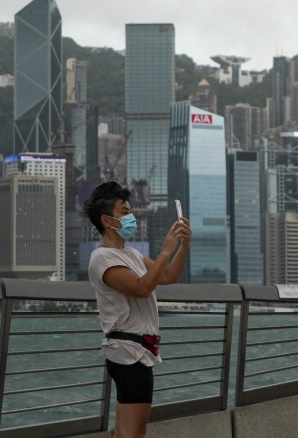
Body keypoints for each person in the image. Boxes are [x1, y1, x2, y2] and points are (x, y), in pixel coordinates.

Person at [85, 182, 190, 438]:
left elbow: (167, 276)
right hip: (129, 352)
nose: (131, 216)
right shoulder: (102, 258)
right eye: (124, 212)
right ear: (107, 221)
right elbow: (142, 288)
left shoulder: (130, 254)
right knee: (134, 433)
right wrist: (165, 249)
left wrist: (183, 245)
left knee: (125, 432)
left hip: (137, 351)